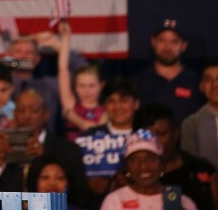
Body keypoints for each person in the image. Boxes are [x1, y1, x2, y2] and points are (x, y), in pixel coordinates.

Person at [0, 89, 88, 206]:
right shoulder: (0, 147)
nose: (27, 116)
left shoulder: (68, 149)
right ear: (14, 114)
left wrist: (45, 158)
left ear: (46, 115)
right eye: (21, 110)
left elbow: (80, 196)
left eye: (34, 111)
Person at [133, 103, 218, 210]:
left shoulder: (201, 170)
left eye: (161, 134)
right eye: (149, 136)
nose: (155, 142)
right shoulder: (132, 177)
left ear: (176, 133)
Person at [4, 33, 88, 134]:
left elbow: (85, 73)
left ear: (37, 59)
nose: (23, 56)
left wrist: (58, 46)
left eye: (29, 52)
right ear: (9, 56)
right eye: (18, 51)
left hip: (46, 145)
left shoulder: (49, 86)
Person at [75, 77, 139, 206]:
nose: (118, 107)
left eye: (124, 101)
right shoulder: (89, 137)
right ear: (104, 105)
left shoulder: (145, 136)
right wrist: (88, 185)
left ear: (136, 104)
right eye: (111, 101)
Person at [100, 129, 197, 210]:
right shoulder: (114, 201)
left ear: (162, 165)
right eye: (134, 160)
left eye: (150, 159)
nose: (143, 166)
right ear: (127, 167)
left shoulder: (181, 202)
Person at [134, 19, 203, 125]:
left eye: (174, 41)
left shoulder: (197, 82)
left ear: (184, 46)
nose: (167, 47)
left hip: (188, 141)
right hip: (147, 141)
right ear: (153, 42)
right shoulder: (138, 82)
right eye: (162, 40)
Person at [57, 22, 106, 142]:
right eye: (82, 86)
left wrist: (73, 118)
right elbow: (63, 69)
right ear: (75, 88)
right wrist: (66, 37)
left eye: (92, 85)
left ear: (101, 86)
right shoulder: (71, 105)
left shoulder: (107, 110)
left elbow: (94, 129)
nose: (87, 91)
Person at [181, 59, 218, 169]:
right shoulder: (191, 124)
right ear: (201, 86)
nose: (215, 85)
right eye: (208, 80)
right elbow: (191, 167)